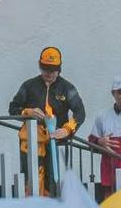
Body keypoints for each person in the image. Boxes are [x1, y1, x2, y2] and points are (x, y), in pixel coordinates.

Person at [9, 47, 86, 197]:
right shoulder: (29, 86)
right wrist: (27, 112)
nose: (49, 73)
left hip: (57, 141)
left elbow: (80, 112)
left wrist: (68, 129)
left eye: (53, 69)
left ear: (59, 68)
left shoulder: (67, 88)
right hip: (31, 142)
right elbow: (13, 108)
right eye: (45, 68)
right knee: (31, 182)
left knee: (55, 182)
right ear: (39, 65)